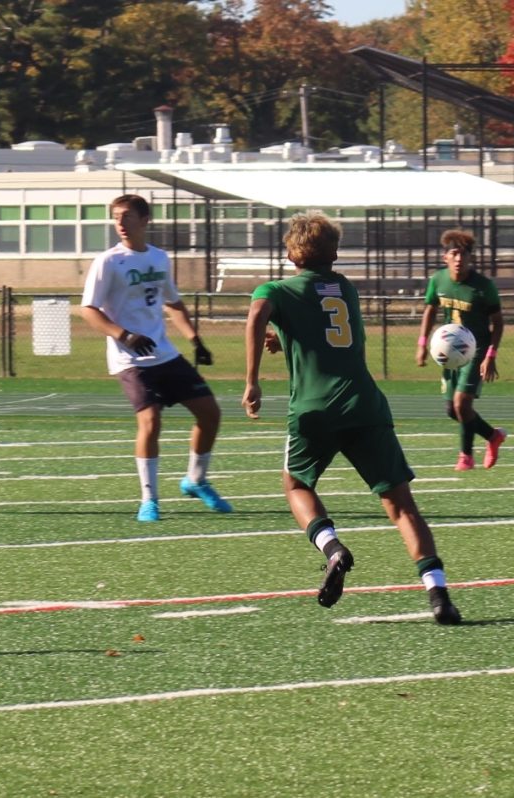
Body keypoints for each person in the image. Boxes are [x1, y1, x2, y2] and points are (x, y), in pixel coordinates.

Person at [243, 211, 462, 624]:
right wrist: (285, 338)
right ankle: (438, 594)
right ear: (335, 253)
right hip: (365, 404)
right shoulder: (344, 287)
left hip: (314, 408)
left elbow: (258, 314)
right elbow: (323, 326)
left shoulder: (275, 288)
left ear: (291, 252)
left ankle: (332, 546)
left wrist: (252, 380)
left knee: (296, 484)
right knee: (401, 506)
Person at [81, 193, 230, 523]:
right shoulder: (108, 261)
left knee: (210, 413)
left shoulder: (159, 258)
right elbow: (88, 310)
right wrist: (124, 335)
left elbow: (172, 303)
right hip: (131, 359)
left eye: (127, 216)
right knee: (150, 422)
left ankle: (195, 480)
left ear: (145, 220)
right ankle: (149, 500)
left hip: (164, 353)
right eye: (116, 217)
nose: (120, 223)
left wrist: (195, 340)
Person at [416, 229, 506, 470]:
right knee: (451, 410)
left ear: (470, 258)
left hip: (476, 351)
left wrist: (491, 356)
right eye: (454, 254)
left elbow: (497, 322)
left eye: (464, 254)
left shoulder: (483, 286)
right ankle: (492, 436)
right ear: (445, 257)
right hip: (449, 352)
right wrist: (423, 344)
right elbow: (430, 310)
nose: (459, 259)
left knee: (462, 404)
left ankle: (465, 456)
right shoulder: (438, 280)